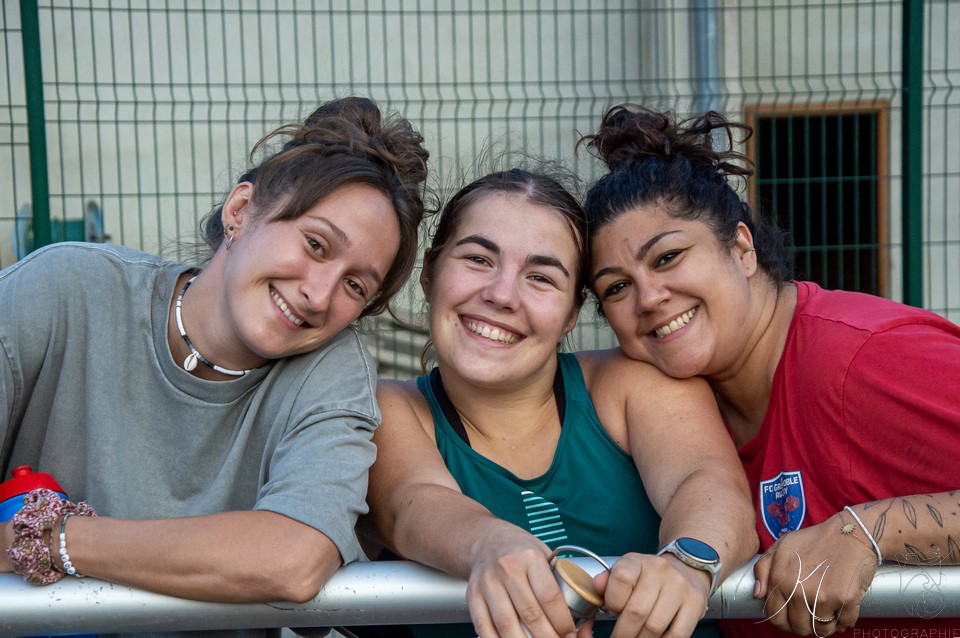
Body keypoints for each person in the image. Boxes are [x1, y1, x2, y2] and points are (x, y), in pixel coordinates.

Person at [0, 97, 430, 629]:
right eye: (316, 245)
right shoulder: (63, 292)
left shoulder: (332, 372)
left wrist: (55, 538)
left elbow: (292, 559)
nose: (319, 296)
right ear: (240, 211)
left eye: (354, 285)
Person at [580, 104, 960, 637]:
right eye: (615, 287)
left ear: (741, 248)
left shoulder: (862, 359)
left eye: (667, 258)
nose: (648, 297)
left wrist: (871, 530)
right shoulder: (667, 411)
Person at [361, 166, 757, 638]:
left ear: (572, 313)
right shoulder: (386, 410)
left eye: (542, 278)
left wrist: (686, 561)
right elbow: (414, 503)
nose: (502, 295)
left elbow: (707, 482)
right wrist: (491, 546)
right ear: (429, 273)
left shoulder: (631, 383)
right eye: (478, 260)